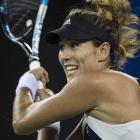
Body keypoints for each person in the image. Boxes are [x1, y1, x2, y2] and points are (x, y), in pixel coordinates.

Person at [12, 0, 140, 139]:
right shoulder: (97, 105)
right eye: (62, 47)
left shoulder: (95, 84)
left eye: (74, 45)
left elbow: (20, 123)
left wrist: (26, 82)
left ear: (103, 51)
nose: (64, 56)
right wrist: (50, 124)